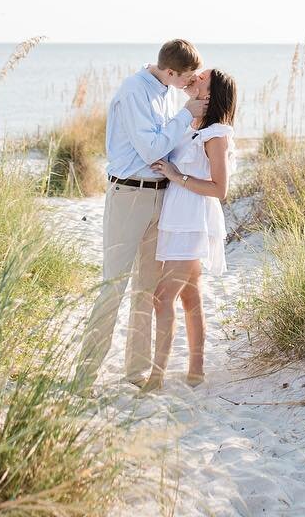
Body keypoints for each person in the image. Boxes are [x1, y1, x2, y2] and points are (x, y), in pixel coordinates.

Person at [75, 39, 208, 385]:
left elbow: (166, 146)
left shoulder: (166, 90)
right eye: (186, 77)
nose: (187, 84)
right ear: (169, 71)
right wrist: (185, 115)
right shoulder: (135, 91)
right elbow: (151, 147)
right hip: (128, 195)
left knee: (145, 290)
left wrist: (185, 115)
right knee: (113, 286)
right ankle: (85, 375)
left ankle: (135, 371)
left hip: (160, 196)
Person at [141, 69, 237, 390]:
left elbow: (220, 189)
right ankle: (196, 370)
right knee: (189, 296)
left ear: (209, 94)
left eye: (202, 77)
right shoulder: (188, 126)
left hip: (193, 220)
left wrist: (174, 174)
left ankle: (157, 376)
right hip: (175, 217)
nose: (194, 76)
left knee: (162, 297)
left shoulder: (216, 135)